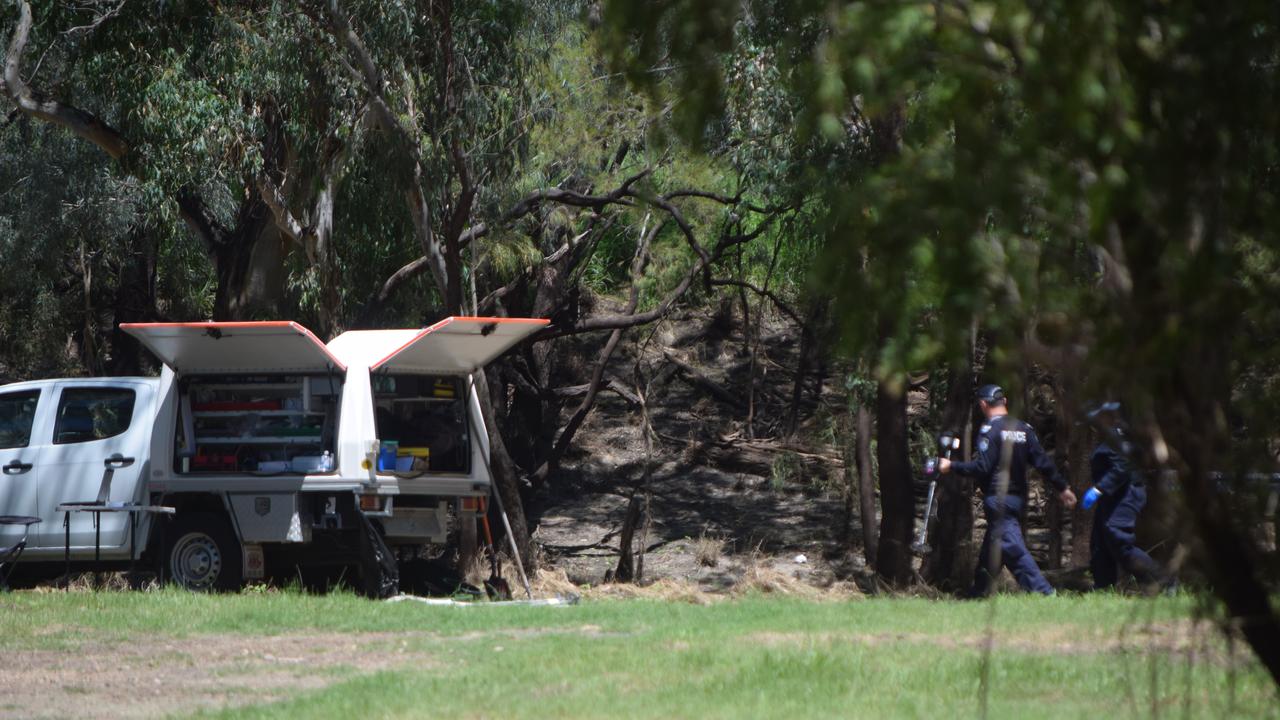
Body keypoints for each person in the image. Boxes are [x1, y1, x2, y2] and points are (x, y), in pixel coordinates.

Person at [940, 384, 1077, 596]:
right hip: (1016, 499)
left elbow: (982, 467)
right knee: (993, 550)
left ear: (983, 404)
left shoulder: (990, 431)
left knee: (1014, 549)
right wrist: (1062, 488)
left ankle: (1045, 593)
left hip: (998, 498)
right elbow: (1043, 463)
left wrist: (951, 466)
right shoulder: (1024, 429)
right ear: (1004, 402)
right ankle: (976, 595)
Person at [1081, 403, 1166, 591]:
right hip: (1112, 496)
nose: (1094, 423)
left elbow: (1123, 466)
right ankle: (1103, 587)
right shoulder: (1112, 436)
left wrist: (1098, 489)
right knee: (1101, 543)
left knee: (1119, 540)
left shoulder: (1119, 437)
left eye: (1098, 418)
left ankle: (1162, 581)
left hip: (1125, 494)